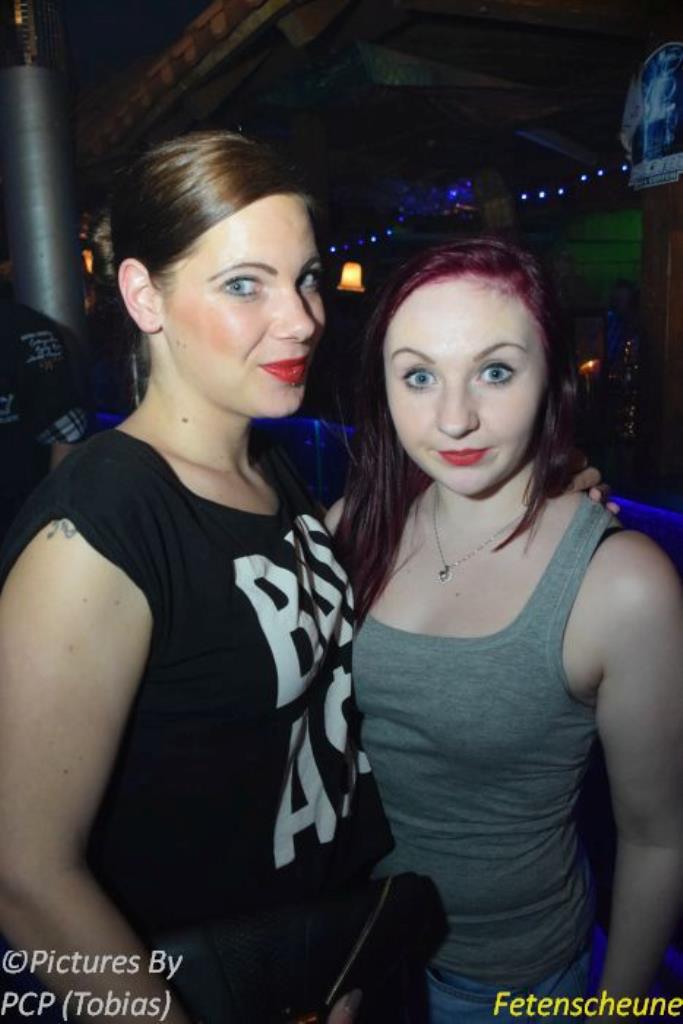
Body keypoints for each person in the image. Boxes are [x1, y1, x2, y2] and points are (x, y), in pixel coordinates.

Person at [0, 131, 393, 1024]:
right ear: (144, 295)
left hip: (314, 961)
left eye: (305, 277)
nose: (302, 319)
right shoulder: (100, 526)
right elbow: (24, 877)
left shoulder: (265, 467)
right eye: (244, 284)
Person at [330, 239, 683, 1022]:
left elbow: (657, 838)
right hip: (350, 954)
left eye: (494, 371)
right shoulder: (351, 528)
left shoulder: (621, 587)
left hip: (505, 983)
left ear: (551, 377)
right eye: (418, 376)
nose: (454, 418)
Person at [0, 294, 88, 542]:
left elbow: (66, 430)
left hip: (18, 512)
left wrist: (50, 519)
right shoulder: (28, 325)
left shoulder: (26, 328)